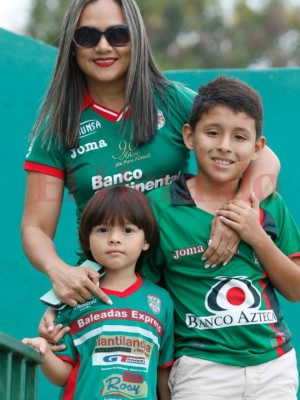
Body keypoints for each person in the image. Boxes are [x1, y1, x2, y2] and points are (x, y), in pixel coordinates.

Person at [21, 0, 279, 336]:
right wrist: (58, 271)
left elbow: (265, 159)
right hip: (107, 290)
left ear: (137, 39)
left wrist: (236, 215)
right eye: (87, 36)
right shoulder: (58, 126)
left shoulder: (173, 100)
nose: (103, 46)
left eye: (118, 34)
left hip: (186, 280)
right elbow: (34, 228)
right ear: (71, 44)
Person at [141, 76, 300, 399]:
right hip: (200, 368)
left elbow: (295, 290)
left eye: (239, 137)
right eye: (213, 132)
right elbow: (147, 299)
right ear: (189, 136)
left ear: (257, 148)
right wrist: (162, 377)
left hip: (274, 366)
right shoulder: (157, 210)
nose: (224, 145)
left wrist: (258, 237)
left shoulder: (269, 205)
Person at [23, 186, 174, 400]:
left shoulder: (161, 301)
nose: (114, 238)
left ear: (146, 240)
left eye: (128, 230)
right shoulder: (72, 297)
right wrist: (44, 352)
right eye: (102, 230)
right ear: (87, 239)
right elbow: (61, 376)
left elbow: (162, 371)